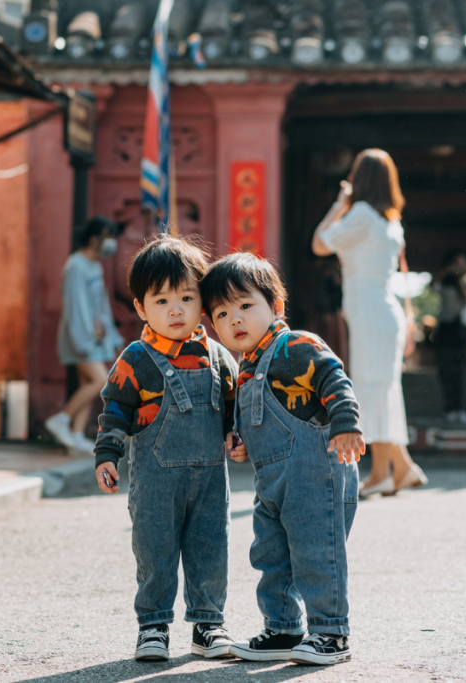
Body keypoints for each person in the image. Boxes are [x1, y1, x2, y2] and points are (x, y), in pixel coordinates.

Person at [201, 252, 363, 666]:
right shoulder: (245, 368)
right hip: (271, 485)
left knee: (315, 553)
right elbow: (254, 419)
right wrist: (240, 442)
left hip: (316, 476)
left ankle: (331, 632)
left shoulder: (296, 345)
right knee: (271, 556)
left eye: (245, 305)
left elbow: (334, 377)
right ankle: (283, 628)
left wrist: (345, 422)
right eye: (221, 314)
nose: (235, 319)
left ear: (275, 307)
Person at [93, 235, 241, 662]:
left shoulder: (218, 357)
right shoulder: (136, 359)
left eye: (186, 298)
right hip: (155, 483)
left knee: (210, 550)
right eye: (161, 301)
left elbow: (234, 405)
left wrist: (236, 436)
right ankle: (153, 626)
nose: (175, 310)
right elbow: (115, 409)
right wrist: (107, 455)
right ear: (141, 308)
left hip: (210, 481)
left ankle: (208, 625)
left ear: (203, 301)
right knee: (155, 552)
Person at [311, 148, 427, 497]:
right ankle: (394, 469)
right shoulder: (391, 221)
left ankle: (389, 471)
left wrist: (339, 204)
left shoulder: (360, 215)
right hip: (386, 311)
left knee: (371, 388)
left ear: (359, 180)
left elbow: (319, 243)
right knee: (384, 389)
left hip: (368, 311)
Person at [44, 217, 124, 451]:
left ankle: (76, 435)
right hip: (79, 337)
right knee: (100, 380)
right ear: (93, 238)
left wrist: (110, 335)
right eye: (107, 237)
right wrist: (83, 339)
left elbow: (101, 305)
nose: (111, 242)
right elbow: (75, 306)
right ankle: (61, 419)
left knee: (89, 384)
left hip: (95, 338)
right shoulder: (75, 266)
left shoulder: (96, 266)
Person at [434, 251, 466, 422]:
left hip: (463, 329)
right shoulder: (443, 282)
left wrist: (460, 278)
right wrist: (448, 271)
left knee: (465, 370)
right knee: (446, 369)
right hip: (446, 329)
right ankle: (451, 407)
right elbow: (434, 285)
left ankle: (465, 408)